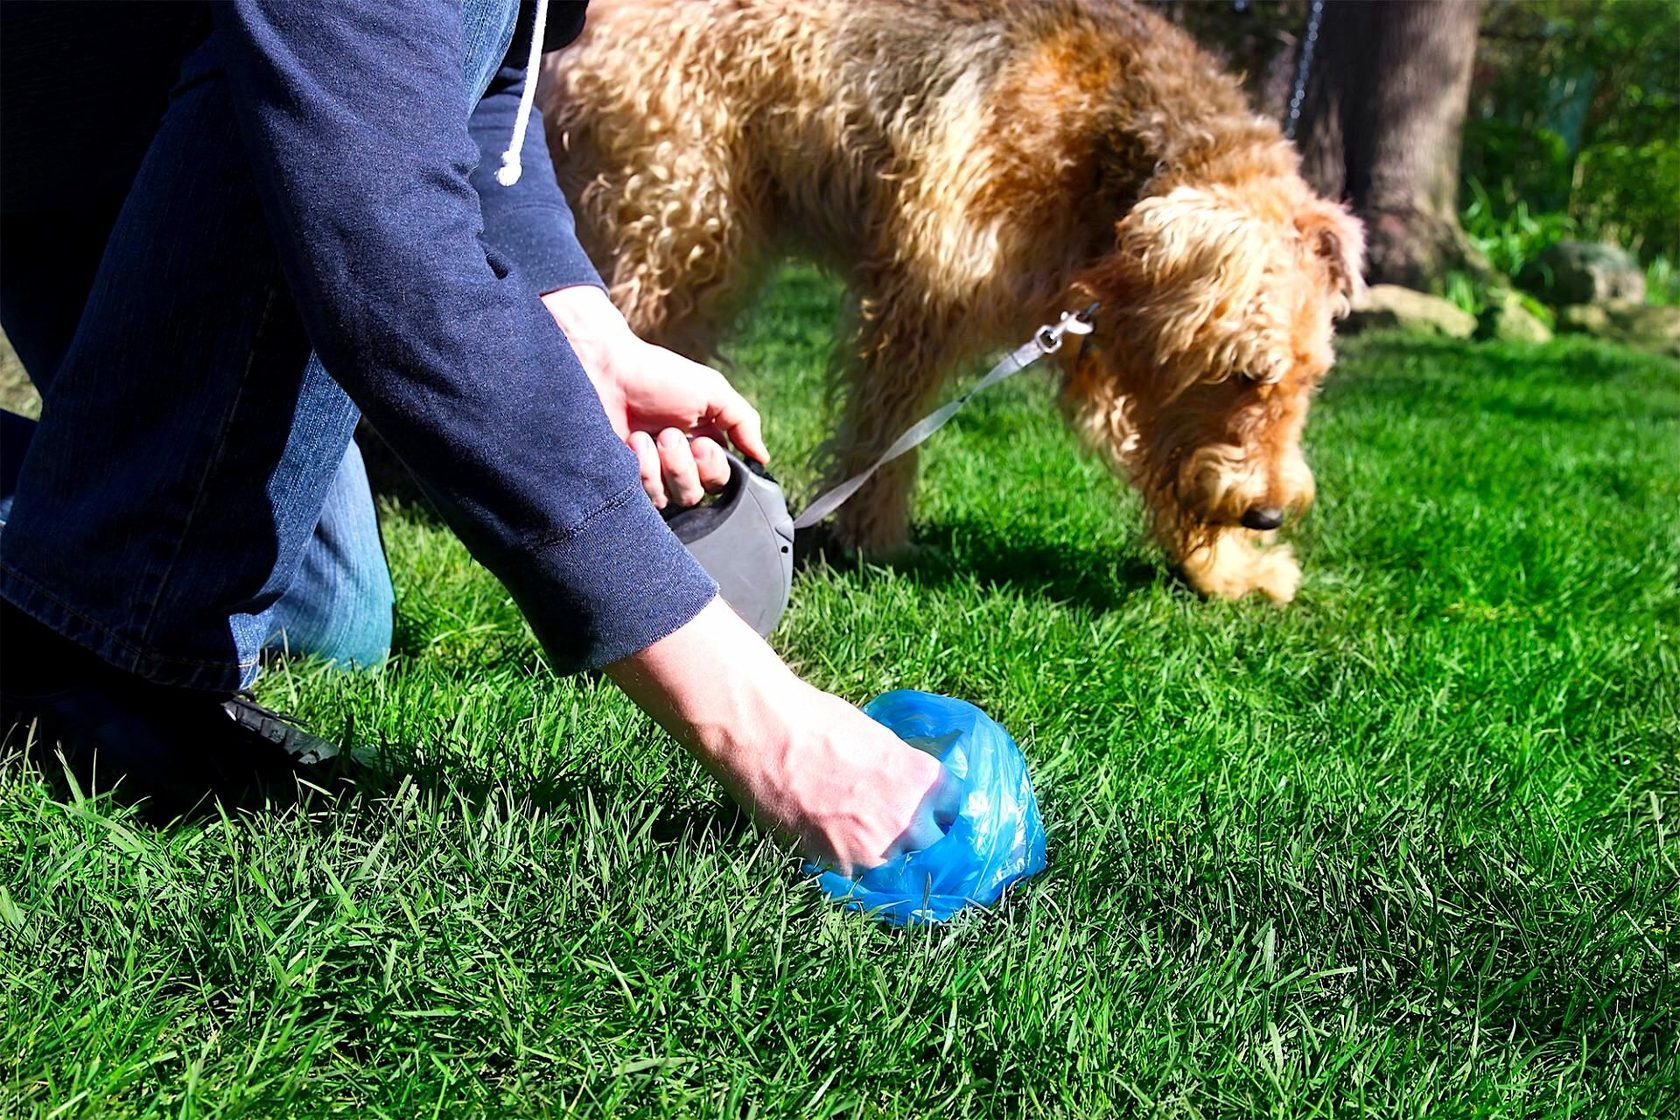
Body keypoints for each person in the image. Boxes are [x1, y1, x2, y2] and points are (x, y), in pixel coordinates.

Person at [0, 0, 947, 874]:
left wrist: (587, 328)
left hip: (150, 142)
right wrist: (770, 730)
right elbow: (389, 262)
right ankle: (86, 651)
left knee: (330, 619)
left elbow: (480, 80)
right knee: (145, 618)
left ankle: (81, 545)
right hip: (84, 151)